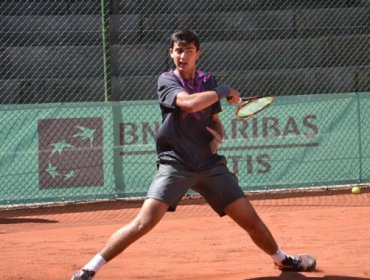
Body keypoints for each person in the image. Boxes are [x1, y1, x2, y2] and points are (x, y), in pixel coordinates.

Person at [71, 29, 316, 280]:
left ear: (198, 54)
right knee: (144, 221)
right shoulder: (167, 80)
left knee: (249, 218)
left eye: (189, 51)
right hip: (176, 163)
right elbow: (189, 103)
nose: (183, 56)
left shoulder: (207, 80)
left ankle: (282, 259)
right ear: (171, 53)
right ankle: (89, 268)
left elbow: (214, 119)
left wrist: (217, 133)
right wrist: (222, 90)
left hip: (209, 165)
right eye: (178, 50)